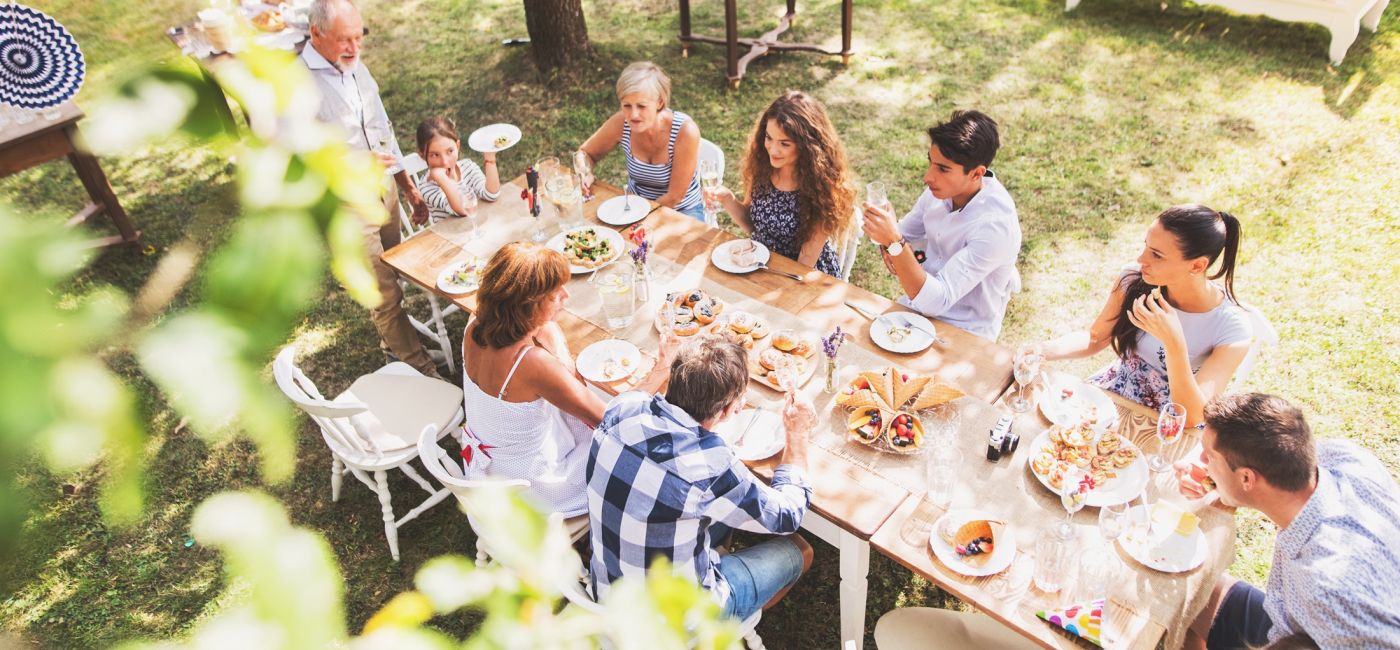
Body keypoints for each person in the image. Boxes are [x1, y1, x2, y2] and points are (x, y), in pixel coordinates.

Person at [586, 338, 816, 620]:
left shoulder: (621, 409)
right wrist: (798, 433)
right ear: (727, 410)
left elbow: (638, 397)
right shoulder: (711, 464)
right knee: (799, 550)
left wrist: (661, 365)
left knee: (712, 516)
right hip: (671, 625)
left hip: (609, 596)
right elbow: (787, 515)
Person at [461, 242, 675, 516]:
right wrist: (662, 368)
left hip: (495, 466)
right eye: (555, 295)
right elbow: (613, 421)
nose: (566, 296)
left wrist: (546, 328)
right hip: (532, 488)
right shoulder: (530, 363)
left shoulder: (476, 322)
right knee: (638, 447)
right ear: (528, 305)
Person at [1180, 393, 1400, 649]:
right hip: (1288, 621)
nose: (1203, 462)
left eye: (1209, 456)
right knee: (1191, 589)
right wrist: (1220, 483)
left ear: (1247, 479)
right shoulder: (1346, 457)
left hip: (1294, 635)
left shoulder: (1327, 588)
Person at [302, 0, 439, 378]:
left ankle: (394, 346)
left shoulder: (352, 63)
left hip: (384, 192)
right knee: (384, 293)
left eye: (359, 37)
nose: (354, 47)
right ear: (316, 33)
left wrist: (407, 186)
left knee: (397, 269)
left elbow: (383, 130)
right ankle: (419, 368)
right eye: (344, 39)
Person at [1036, 205, 1252, 426]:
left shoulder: (1232, 329)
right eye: (1146, 247)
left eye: (1156, 255)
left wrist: (1174, 342)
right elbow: (1096, 338)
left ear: (1197, 265)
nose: (1141, 259)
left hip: (1167, 425)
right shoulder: (1134, 280)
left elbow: (1194, 415)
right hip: (1110, 398)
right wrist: (1041, 351)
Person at [860, 110, 1021, 341]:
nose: (928, 177)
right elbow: (902, 238)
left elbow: (937, 300)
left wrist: (895, 244)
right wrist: (892, 242)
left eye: (943, 169)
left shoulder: (995, 227)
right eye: (931, 163)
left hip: (965, 332)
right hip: (917, 310)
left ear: (977, 174)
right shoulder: (940, 191)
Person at [704, 91, 856, 277]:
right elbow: (755, 226)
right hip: (760, 263)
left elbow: (806, 260)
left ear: (808, 146)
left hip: (801, 275)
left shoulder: (822, 188)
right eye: (769, 138)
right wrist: (728, 200)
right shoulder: (762, 167)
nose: (773, 150)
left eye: (785, 144)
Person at [577, 62, 706, 221]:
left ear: (659, 102)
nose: (633, 115)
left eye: (641, 106)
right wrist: (585, 172)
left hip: (682, 211)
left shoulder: (685, 132)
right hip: (633, 206)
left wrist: (637, 219)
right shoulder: (621, 123)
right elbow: (585, 153)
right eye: (627, 105)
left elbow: (674, 197)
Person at [415, 117, 500, 224]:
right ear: (422, 155)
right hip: (451, 238)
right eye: (435, 155)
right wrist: (442, 178)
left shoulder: (468, 167)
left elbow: (491, 195)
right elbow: (463, 210)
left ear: (457, 146)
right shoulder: (427, 187)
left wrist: (490, 159)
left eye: (450, 151)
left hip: (479, 228)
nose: (445, 162)